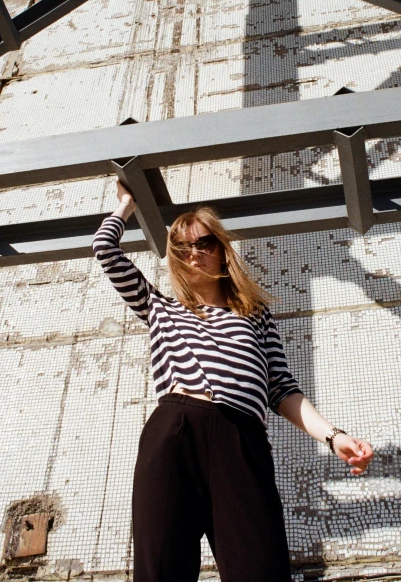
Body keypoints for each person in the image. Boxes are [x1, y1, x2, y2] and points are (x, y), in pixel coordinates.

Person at [93, 181, 374, 582]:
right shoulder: (158, 307)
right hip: (176, 430)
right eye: (182, 248)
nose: (194, 254)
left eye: (204, 243)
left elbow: (281, 388)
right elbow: (105, 250)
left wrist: (334, 437)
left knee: (261, 569)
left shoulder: (255, 315)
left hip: (241, 440)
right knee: (160, 570)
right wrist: (127, 204)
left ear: (223, 248)